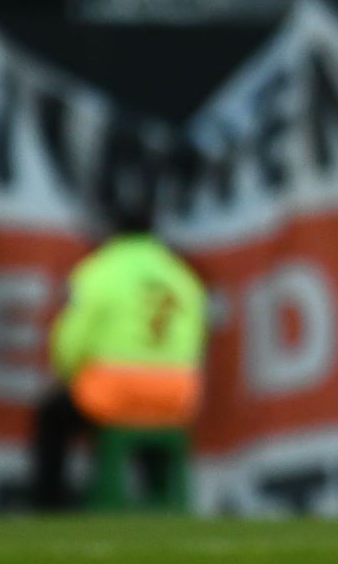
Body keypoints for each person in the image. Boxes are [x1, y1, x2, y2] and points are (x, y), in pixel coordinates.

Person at [30, 200, 207, 510]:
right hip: (177, 393)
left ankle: (50, 504)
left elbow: (72, 336)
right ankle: (161, 500)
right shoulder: (182, 275)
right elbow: (196, 339)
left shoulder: (99, 270)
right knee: (151, 438)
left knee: (51, 416)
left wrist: (66, 373)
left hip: (112, 391)